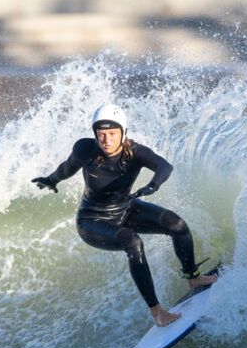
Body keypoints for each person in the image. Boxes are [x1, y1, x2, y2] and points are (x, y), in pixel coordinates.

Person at [32, 103, 217, 326]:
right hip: (92, 220)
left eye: (112, 134)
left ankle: (194, 278)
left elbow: (164, 166)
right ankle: (157, 313)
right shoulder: (84, 149)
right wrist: (51, 180)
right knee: (133, 242)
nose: (106, 140)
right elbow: (66, 167)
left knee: (177, 225)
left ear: (123, 133)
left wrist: (153, 186)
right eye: (101, 135)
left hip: (126, 208)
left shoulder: (135, 152)